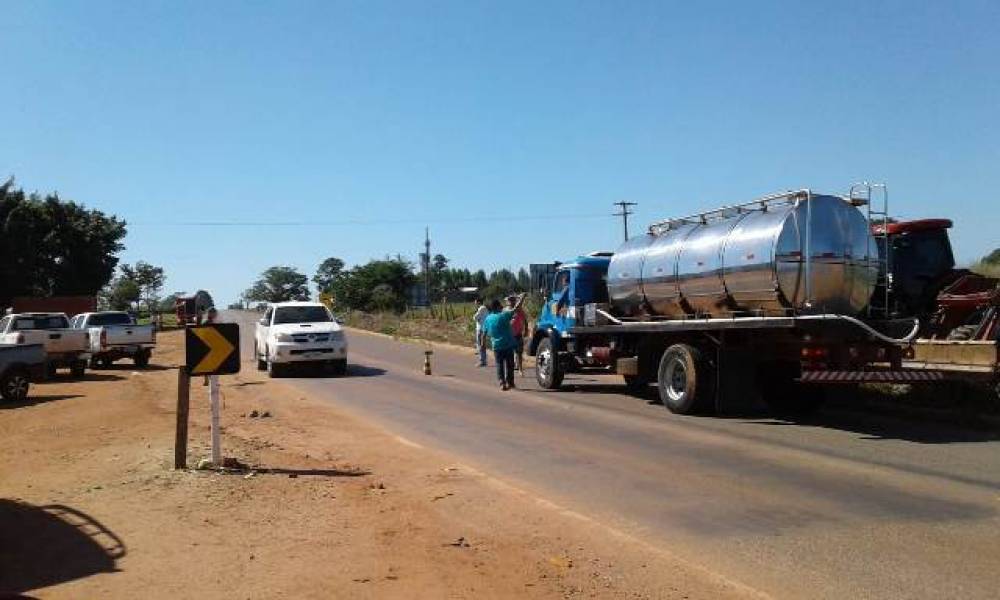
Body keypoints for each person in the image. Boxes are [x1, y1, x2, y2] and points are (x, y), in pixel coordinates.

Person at [482, 293, 526, 391]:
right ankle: (510, 382)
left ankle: (502, 382)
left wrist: (483, 344)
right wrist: (522, 298)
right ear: (497, 307)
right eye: (500, 306)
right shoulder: (504, 315)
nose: (502, 307)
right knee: (510, 365)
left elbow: (484, 333)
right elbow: (517, 308)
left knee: (499, 364)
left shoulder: (488, 319)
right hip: (507, 345)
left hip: (496, 346)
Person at [506, 295, 528, 376]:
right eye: (510, 300)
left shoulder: (520, 310)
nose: (511, 301)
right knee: (509, 353)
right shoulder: (506, 310)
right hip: (509, 335)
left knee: (519, 353)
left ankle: (520, 369)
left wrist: (526, 329)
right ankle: (510, 369)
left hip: (518, 334)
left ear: (515, 301)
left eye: (512, 300)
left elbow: (525, 320)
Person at [472, 297, 489, 367]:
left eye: (475, 302)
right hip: (484, 328)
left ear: (478, 302)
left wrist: (476, 314)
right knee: (482, 345)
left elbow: (475, 317)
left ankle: (482, 361)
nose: (475, 303)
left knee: (480, 345)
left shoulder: (481, 308)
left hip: (480, 328)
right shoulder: (485, 308)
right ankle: (483, 360)